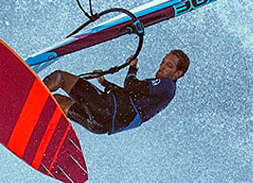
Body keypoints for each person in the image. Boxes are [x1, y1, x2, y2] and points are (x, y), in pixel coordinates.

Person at [43, 49, 188, 135]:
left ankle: (27, 97)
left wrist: (132, 68)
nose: (162, 67)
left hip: (106, 110)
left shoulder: (167, 86)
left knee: (60, 77)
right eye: (163, 62)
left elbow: (130, 85)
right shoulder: (159, 93)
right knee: (58, 101)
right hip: (101, 125)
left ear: (178, 74)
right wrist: (104, 82)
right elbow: (128, 96)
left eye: (169, 65)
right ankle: (38, 120)